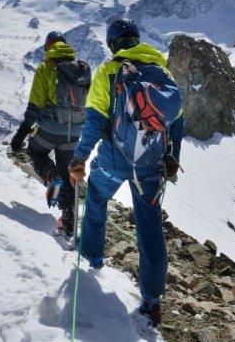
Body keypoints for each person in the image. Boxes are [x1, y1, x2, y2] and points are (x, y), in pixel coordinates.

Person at [68, 18, 184, 320]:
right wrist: (172, 157)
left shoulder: (109, 72)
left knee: (95, 197)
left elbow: (94, 122)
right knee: (149, 226)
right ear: (137, 40)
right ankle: (151, 298)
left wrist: (79, 158)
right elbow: (177, 122)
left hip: (113, 160)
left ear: (112, 44)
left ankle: (92, 256)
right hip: (151, 165)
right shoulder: (162, 73)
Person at [10, 31, 86, 236]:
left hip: (49, 130)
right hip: (74, 133)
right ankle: (68, 223)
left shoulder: (45, 68)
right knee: (68, 171)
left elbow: (35, 105)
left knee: (37, 153)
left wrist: (21, 134)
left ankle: (51, 178)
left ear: (48, 48)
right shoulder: (81, 69)